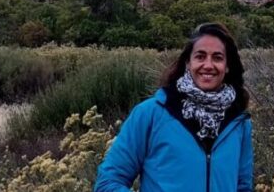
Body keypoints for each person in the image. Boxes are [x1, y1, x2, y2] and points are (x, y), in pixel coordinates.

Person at [94, 23, 253, 192]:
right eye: (200, 56)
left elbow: (243, 187)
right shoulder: (151, 114)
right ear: (188, 62)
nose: (208, 65)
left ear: (227, 66)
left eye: (217, 57)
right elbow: (108, 183)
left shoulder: (239, 122)